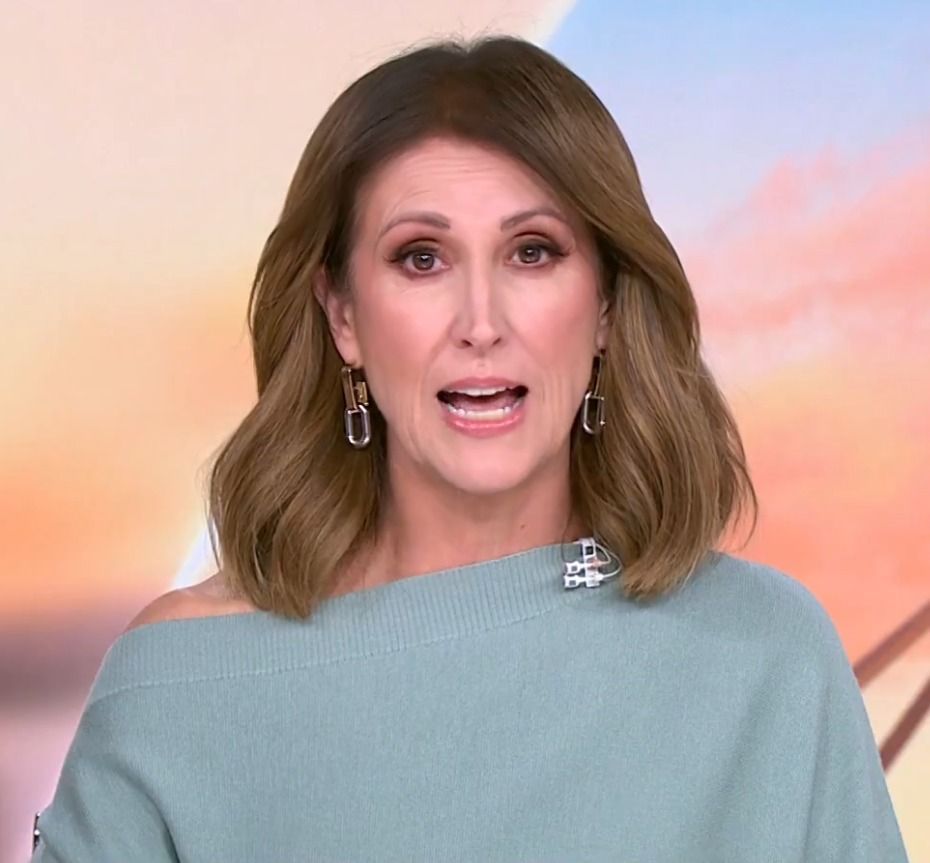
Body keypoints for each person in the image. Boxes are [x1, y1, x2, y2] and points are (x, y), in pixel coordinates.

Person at [31, 35, 909, 862]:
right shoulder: (183, 681)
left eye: (532, 252)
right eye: (422, 258)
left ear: (605, 305)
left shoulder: (764, 658)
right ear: (343, 315)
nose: (481, 323)